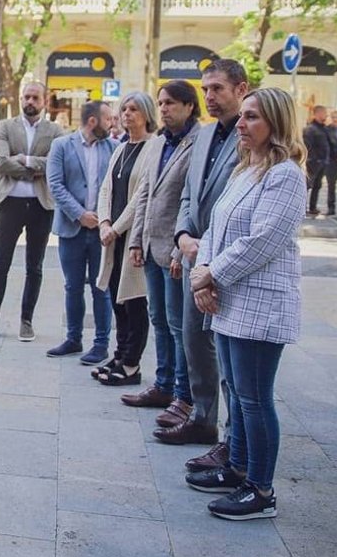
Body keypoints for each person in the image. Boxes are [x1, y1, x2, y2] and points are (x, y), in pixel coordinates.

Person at [187, 87, 306, 521]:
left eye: (252, 116)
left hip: (260, 303)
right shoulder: (246, 169)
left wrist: (210, 274)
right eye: (243, 116)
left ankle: (261, 489)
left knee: (255, 398)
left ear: (276, 122)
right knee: (236, 393)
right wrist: (204, 274)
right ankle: (237, 467)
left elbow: (263, 241)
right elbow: (214, 231)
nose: (241, 123)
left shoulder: (285, 175)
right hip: (229, 300)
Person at [170, 59, 249, 459]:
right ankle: (203, 418)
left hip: (226, 261)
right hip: (193, 255)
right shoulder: (203, 135)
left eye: (217, 88)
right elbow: (189, 193)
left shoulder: (250, 136)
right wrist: (183, 236)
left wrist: (209, 249)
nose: (210, 97)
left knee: (230, 356)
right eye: (205, 90)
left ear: (241, 89)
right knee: (193, 340)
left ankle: (235, 439)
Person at [0, 81, 65, 340]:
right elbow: (1, 164)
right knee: (0, 264)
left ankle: (26, 321)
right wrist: (34, 170)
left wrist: (25, 159)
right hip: (10, 204)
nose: (30, 101)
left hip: (41, 206)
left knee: (35, 266)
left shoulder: (55, 131)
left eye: (35, 97)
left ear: (44, 101)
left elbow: (56, 163)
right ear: (21, 99)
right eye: (26, 97)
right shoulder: (5, 127)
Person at [126, 81, 201, 417]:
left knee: (178, 324)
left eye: (170, 103)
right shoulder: (158, 142)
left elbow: (194, 201)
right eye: (161, 103)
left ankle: (183, 395)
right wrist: (136, 240)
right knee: (158, 318)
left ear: (189, 106)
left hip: (176, 250)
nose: (164, 109)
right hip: (150, 245)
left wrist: (178, 251)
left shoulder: (199, 142)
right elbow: (145, 193)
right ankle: (163, 384)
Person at [45, 100, 118, 363]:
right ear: (93, 121)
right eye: (108, 119)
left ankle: (101, 344)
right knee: (73, 286)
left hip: (102, 231)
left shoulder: (115, 148)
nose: (112, 124)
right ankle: (73, 338)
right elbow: (55, 185)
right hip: (71, 229)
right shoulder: (61, 146)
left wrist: (104, 219)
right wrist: (80, 215)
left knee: (101, 288)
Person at [95, 92, 157, 386]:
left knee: (134, 300)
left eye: (134, 109)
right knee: (116, 299)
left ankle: (132, 364)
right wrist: (104, 222)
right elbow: (106, 188)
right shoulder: (120, 147)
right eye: (124, 109)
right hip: (113, 237)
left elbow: (141, 197)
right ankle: (119, 355)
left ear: (146, 114)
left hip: (132, 236)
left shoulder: (153, 147)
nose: (127, 114)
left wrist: (116, 228)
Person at [302, 105, 331, 216]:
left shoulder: (324, 128)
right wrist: (313, 159)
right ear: (317, 114)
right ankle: (302, 207)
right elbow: (307, 146)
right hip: (313, 162)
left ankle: (313, 207)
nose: (326, 115)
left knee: (317, 185)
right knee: (307, 185)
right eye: (324, 113)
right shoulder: (310, 129)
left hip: (323, 162)